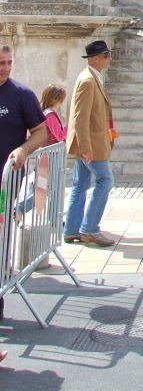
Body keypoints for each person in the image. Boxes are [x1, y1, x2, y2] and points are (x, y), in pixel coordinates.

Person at [0, 44, 48, 324]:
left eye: (8, 62)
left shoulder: (21, 95)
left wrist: (23, 150)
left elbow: (40, 132)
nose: (5, 68)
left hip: (6, 181)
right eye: (0, 63)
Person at [63, 40, 118, 247]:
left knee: (81, 184)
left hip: (92, 140)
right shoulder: (87, 81)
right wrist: (85, 147)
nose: (109, 59)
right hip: (91, 144)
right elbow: (80, 117)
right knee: (105, 180)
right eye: (107, 55)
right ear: (96, 58)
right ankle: (89, 229)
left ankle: (71, 229)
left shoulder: (93, 78)